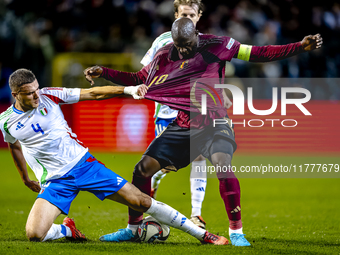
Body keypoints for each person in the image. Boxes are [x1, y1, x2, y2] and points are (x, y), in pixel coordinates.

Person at [84, 18, 322, 246]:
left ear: (196, 35)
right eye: (180, 46)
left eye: (187, 45)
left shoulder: (218, 45)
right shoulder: (163, 55)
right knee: (142, 169)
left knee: (222, 165)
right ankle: (134, 227)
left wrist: (299, 47)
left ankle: (236, 231)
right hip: (184, 124)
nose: (184, 50)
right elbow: (137, 78)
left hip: (214, 122)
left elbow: (259, 53)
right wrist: (104, 72)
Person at [0, 68, 230, 245]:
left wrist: (128, 90)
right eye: (30, 94)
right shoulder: (6, 121)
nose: (36, 96)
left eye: (36, 89)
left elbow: (93, 93)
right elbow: (15, 147)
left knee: (140, 200)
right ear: (15, 94)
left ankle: (203, 234)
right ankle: (68, 229)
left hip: (84, 166)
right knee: (34, 235)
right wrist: (25, 177)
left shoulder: (49, 95)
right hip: (55, 181)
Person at [140, 0, 232, 230]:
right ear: (175, 15)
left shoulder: (208, 44)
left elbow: (212, 75)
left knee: (199, 157)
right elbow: (146, 73)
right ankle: (150, 192)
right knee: (163, 166)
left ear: (199, 16)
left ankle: (196, 214)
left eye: (191, 15)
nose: (187, 19)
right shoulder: (162, 41)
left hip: (196, 112)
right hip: (167, 112)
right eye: (183, 14)